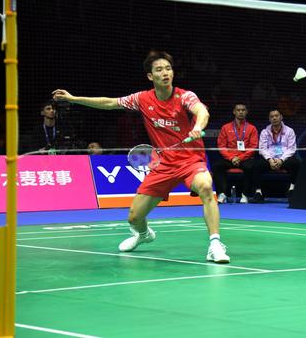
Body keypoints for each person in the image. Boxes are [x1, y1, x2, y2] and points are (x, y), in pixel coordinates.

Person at [52, 50, 230, 263]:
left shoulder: (185, 96)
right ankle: (143, 234)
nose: (165, 73)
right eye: (159, 70)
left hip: (190, 161)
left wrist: (198, 127)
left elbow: (201, 111)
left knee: (206, 187)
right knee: (134, 217)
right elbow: (110, 103)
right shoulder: (142, 99)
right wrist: (73, 99)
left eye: (168, 69)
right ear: (150, 76)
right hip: (163, 165)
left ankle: (215, 244)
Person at [212, 103, 259, 203]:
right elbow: (221, 146)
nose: (241, 112)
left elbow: (253, 147)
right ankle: (222, 194)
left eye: (243, 110)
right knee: (217, 166)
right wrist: (231, 157)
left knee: (251, 167)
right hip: (229, 158)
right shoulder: (225, 127)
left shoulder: (252, 128)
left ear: (246, 112)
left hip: (245, 158)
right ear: (234, 112)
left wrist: (240, 158)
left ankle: (245, 195)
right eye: (238, 110)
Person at [251, 109, 300, 202]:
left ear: (281, 117)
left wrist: (281, 160)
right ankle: (258, 193)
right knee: (256, 165)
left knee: (296, 163)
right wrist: (270, 159)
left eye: (276, 116)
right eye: (272, 116)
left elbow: (291, 149)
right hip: (270, 159)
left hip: (284, 159)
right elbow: (262, 149)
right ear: (269, 119)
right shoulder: (264, 132)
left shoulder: (290, 131)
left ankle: (292, 190)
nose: (274, 118)